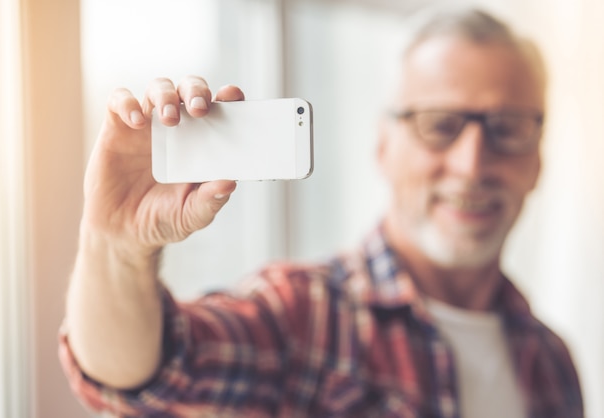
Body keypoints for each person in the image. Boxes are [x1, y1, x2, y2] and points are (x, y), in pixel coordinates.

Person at [59, 6, 584, 418]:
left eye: (508, 129)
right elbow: (135, 379)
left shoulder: (552, 362)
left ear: (537, 159)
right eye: (440, 124)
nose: (472, 165)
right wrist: (117, 245)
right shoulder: (304, 314)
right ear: (384, 146)